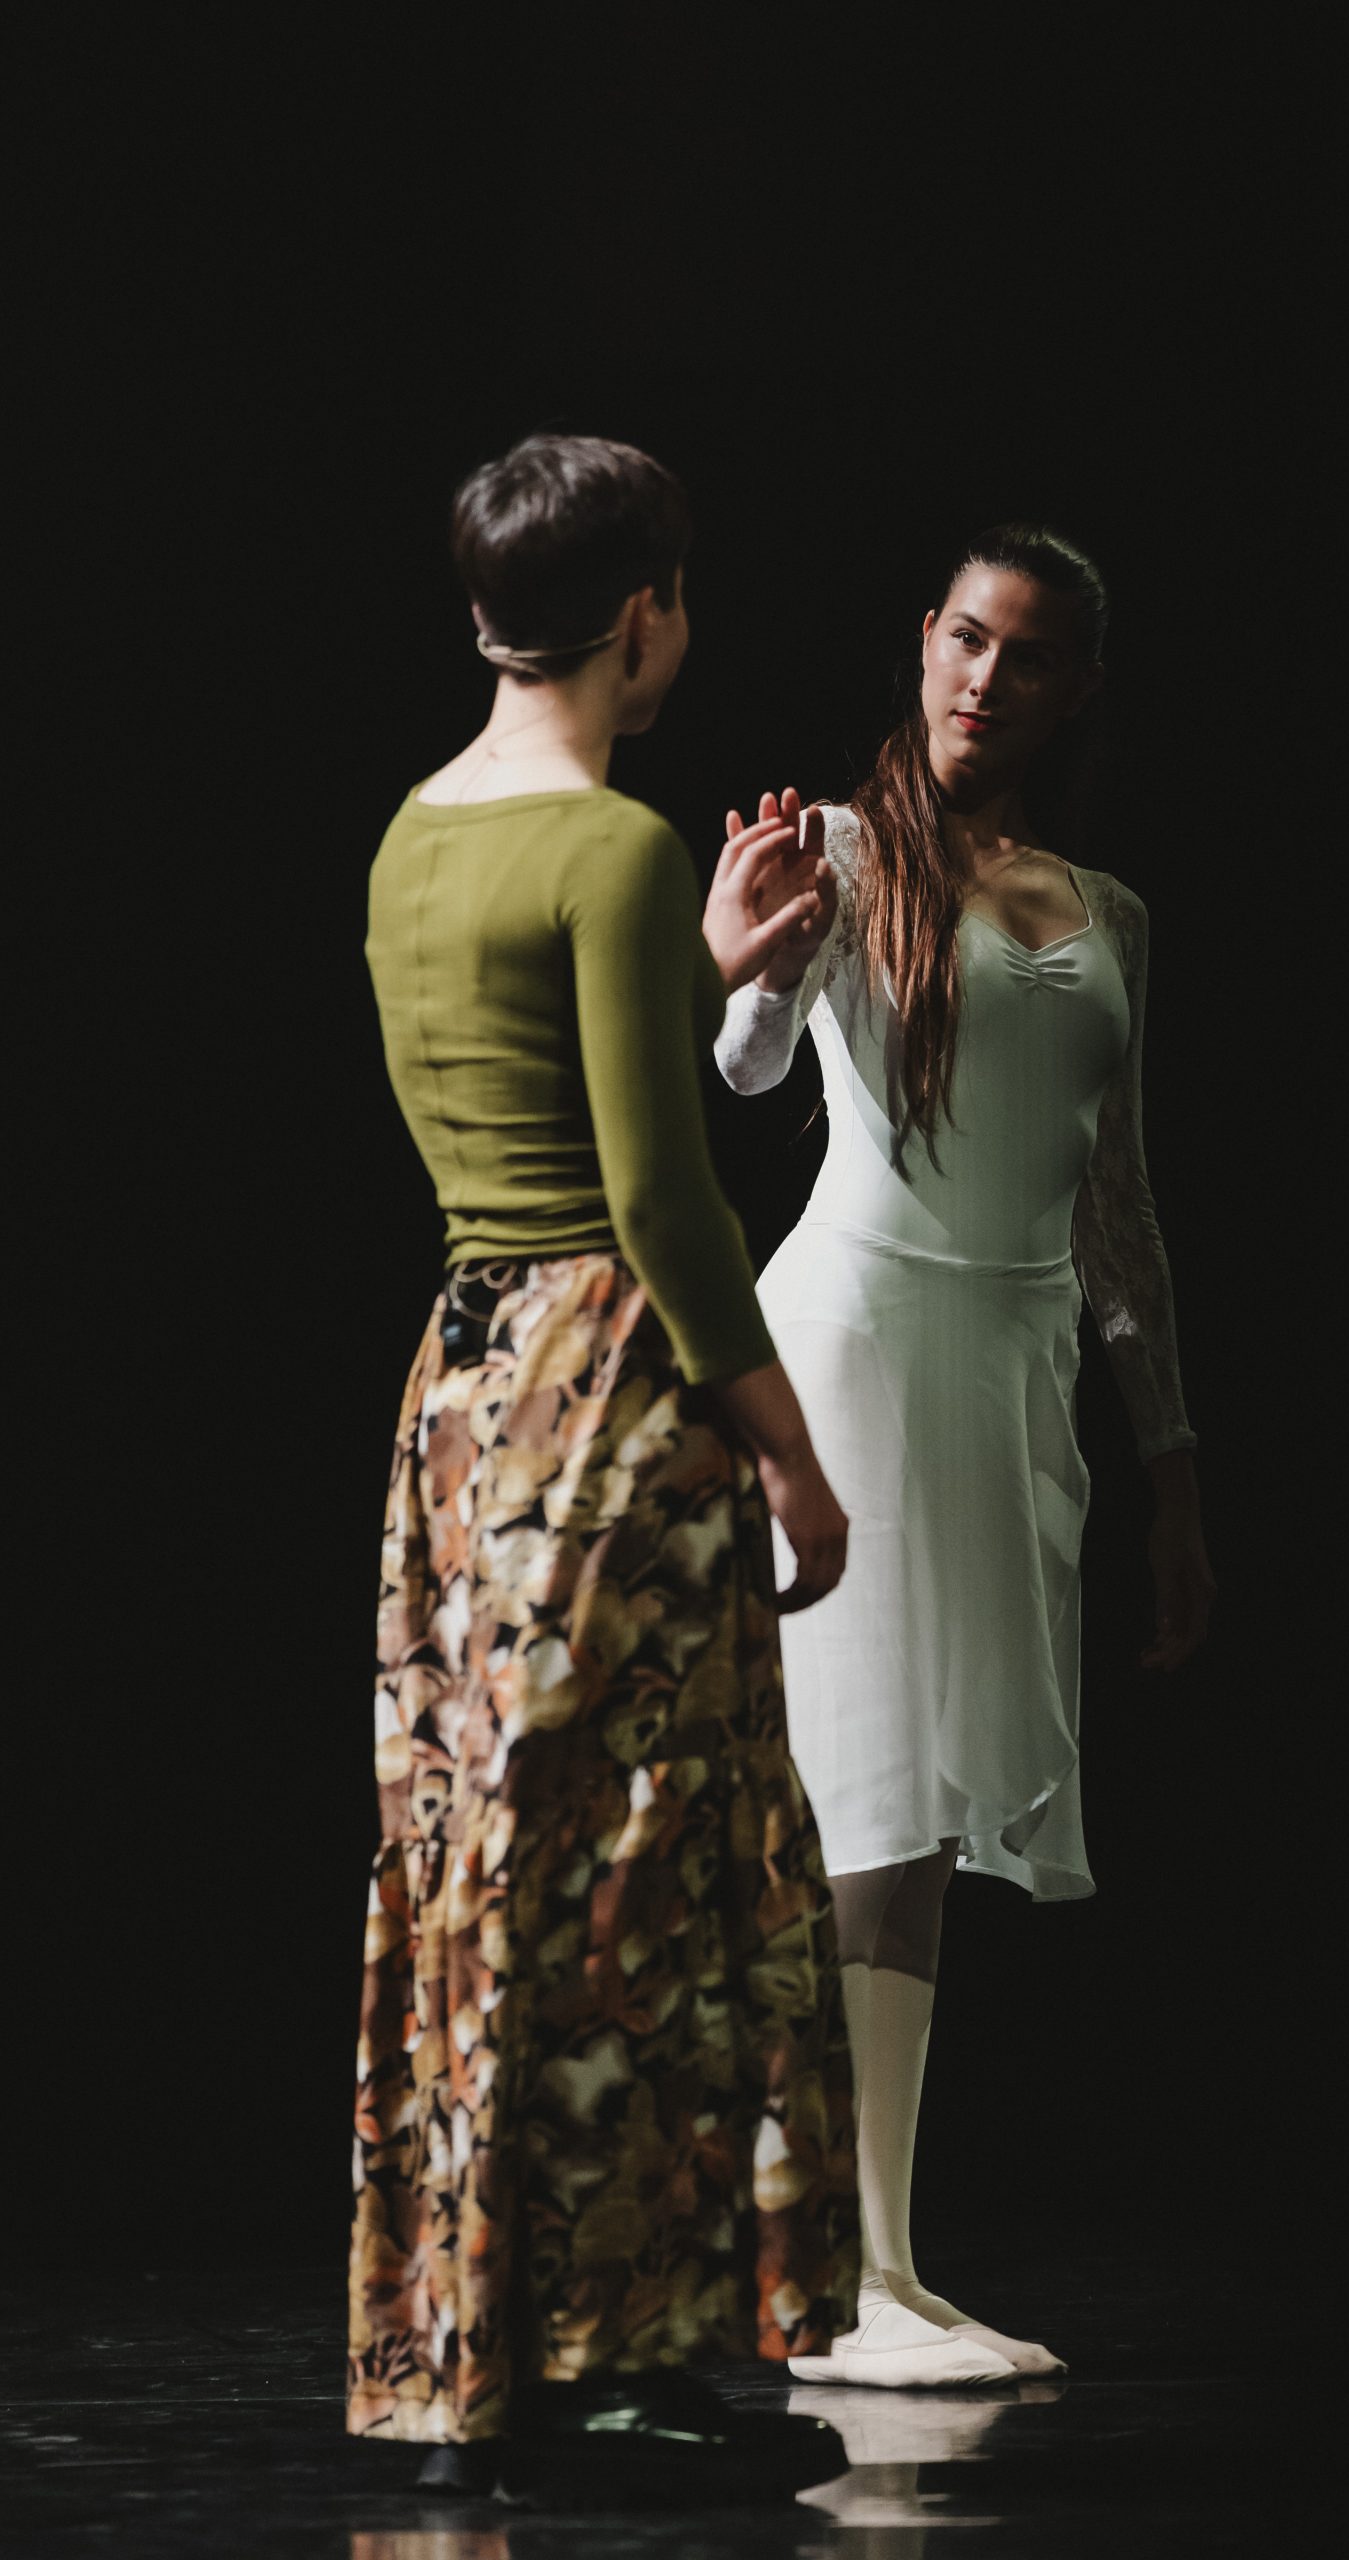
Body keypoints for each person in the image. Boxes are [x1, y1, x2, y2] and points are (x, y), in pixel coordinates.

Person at [348, 433, 859, 2499]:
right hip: (607, 1390)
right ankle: (604, 2361)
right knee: (631, 1867)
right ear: (643, 611)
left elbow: (535, 1104)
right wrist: (792, 1453)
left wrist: (696, 972)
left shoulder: (412, 835)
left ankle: (486, 2339)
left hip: (461, 1392)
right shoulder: (614, 842)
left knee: (489, 1853)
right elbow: (654, 1195)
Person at [703, 525, 1216, 2387]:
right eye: (967, 639)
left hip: (1011, 1366)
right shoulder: (847, 852)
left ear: (1076, 688)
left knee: (920, 1821)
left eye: (1029, 655)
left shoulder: (1111, 915)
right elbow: (751, 1062)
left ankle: (892, 2269)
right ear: (924, 643)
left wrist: (1170, 1470)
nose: (986, 679)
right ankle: (845, 2281)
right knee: (864, 1790)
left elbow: (1119, 1207)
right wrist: (749, 963)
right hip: (859, 1339)